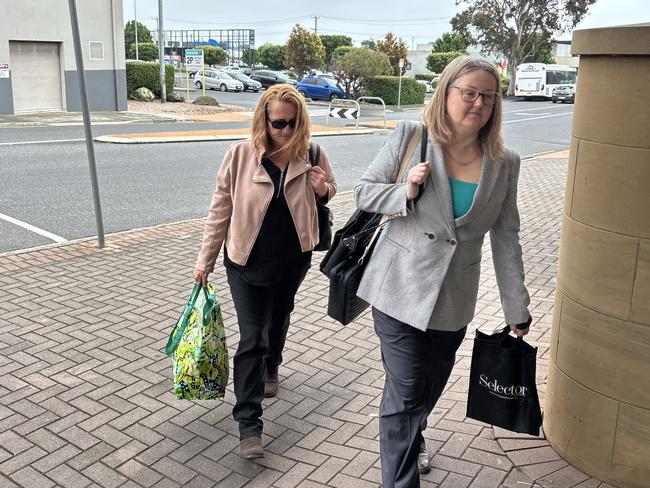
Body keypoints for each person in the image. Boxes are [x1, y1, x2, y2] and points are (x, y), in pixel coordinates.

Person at [354, 56, 532, 487]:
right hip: (398, 290)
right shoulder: (412, 137)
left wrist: (517, 305)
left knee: (425, 392)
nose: (478, 102)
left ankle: (414, 438)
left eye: (487, 96)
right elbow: (363, 193)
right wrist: (405, 190)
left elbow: (506, 237)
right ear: (446, 92)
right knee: (406, 392)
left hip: (453, 302)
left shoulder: (505, 162)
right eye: (468, 92)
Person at [193, 84, 337, 459]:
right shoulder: (240, 155)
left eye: (292, 123)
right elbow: (219, 210)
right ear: (264, 120)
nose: (285, 131)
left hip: (292, 261)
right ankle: (249, 425)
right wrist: (204, 261)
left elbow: (329, 191)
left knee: (281, 317)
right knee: (252, 338)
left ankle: (273, 366)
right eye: (278, 124)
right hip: (245, 263)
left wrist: (324, 190)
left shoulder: (313, 154)